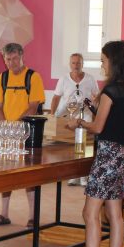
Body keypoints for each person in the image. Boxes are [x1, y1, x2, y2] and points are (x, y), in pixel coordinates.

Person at [65, 40, 124, 247]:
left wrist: (78, 122)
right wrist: (93, 106)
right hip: (123, 155)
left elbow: (98, 127)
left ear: (114, 61)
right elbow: (112, 120)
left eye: (103, 60)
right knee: (115, 214)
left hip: (108, 155)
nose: (102, 64)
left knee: (90, 214)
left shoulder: (110, 90)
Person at [0, 42, 44, 228]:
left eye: (14, 59)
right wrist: (6, 127)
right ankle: (4, 213)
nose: (11, 63)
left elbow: (33, 106)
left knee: (29, 175)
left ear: (22, 57)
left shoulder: (33, 77)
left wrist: (17, 126)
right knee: (6, 173)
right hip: (8, 134)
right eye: (7, 59)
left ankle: (32, 216)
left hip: (28, 133)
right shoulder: (2, 78)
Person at [50, 52, 99, 186]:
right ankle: (73, 175)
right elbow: (56, 98)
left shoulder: (90, 79)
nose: (76, 65)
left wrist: (95, 108)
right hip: (69, 115)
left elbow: (96, 97)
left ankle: (84, 176)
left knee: (84, 146)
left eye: (78, 63)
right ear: (70, 64)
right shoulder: (63, 79)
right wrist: (52, 115)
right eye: (73, 63)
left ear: (82, 64)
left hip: (86, 116)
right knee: (71, 146)